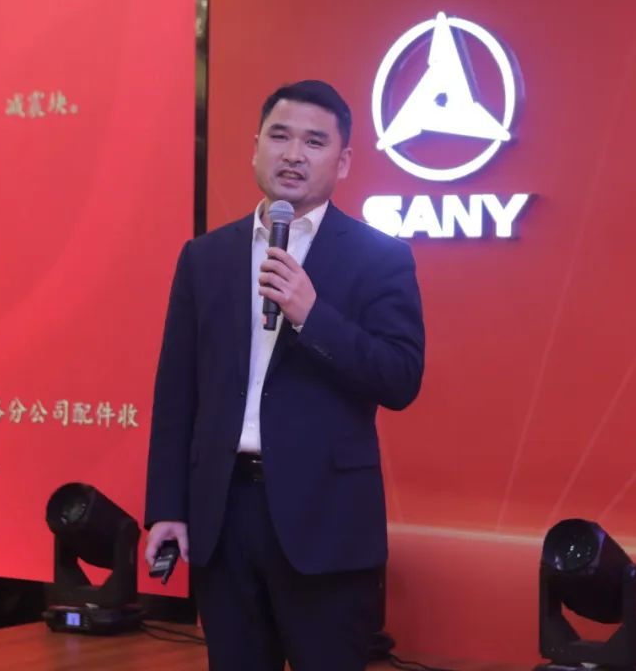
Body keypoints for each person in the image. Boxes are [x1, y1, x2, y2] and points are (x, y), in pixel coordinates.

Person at [143, 79, 425, 670]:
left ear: (342, 161)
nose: (294, 154)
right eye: (280, 136)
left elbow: (400, 377)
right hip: (225, 515)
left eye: (315, 142)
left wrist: (311, 315)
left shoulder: (380, 257)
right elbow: (176, 392)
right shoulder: (205, 257)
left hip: (327, 521)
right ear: (255, 149)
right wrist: (167, 506)